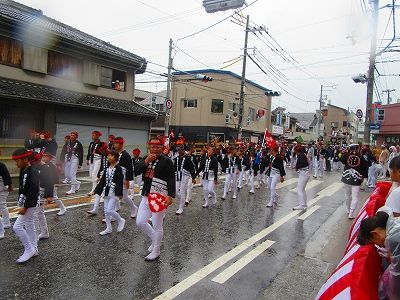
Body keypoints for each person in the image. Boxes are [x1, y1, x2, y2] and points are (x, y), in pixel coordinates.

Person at [134, 136, 175, 261]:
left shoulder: (167, 161)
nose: (155, 149)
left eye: (158, 147)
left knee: (157, 225)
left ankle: (156, 250)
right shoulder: (145, 158)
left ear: (162, 148)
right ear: (149, 147)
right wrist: (146, 161)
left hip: (159, 196)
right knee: (140, 221)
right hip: (146, 194)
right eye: (153, 147)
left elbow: (171, 178)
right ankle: (155, 239)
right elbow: (136, 171)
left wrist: (170, 195)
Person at [357, 210, 400, 300]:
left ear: (375, 234)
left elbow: (396, 278)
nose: (379, 245)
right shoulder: (395, 223)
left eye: (373, 242)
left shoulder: (393, 239)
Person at [12, 148, 39, 263]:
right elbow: (23, 188)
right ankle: (34, 248)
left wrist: (25, 207)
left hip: (31, 203)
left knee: (17, 227)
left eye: (18, 160)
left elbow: (33, 190)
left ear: (25, 159)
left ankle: (29, 249)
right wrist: (20, 202)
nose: (16, 163)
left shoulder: (32, 171)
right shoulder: (23, 169)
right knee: (29, 224)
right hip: (27, 202)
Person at [90, 150, 125, 235]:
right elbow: (102, 182)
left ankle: (120, 220)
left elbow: (120, 181)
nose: (109, 157)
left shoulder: (119, 168)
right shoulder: (106, 169)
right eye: (108, 156)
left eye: (111, 155)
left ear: (116, 157)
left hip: (114, 192)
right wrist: (95, 191)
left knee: (109, 210)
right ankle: (108, 228)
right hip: (106, 191)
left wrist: (119, 194)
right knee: (106, 211)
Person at [112, 137, 138, 219]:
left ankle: (134, 208)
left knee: (124, 197)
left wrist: (127, 180)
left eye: (117, 143)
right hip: (115, 176)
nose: (115, 145)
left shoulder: (126, 155)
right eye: (114, 143)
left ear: (121, 144)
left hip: (123, 178)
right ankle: (113, 212)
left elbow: (129, 169)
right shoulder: (114, 153)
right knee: (113, 194)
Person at [340, 144, 367, 219]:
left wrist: (344, 152)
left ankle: (348, 210)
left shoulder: (346, 155)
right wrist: (364, 177)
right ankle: (351, 214)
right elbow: (365, 168)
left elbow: (342, 160)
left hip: (346, 177)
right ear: (357, 148)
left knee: (347, 195)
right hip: (356, 178)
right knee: (355, 196)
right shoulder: (361, 157)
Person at [173, 145, 196, 215]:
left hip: (185, 176)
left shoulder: (188, 159)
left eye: (182, 150)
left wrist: (193, 178)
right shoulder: (176, 158)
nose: (180, 151)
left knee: (182, 191)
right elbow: (174, 168)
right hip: (177, 176)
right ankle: (182, 200)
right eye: (179, 150)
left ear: (184, 150)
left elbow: (192, 168)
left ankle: (181, 208)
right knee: (175, 191)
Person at [266, 143, 286, 208]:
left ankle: (271, 202)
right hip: (271, 173)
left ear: (274, 150)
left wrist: (282, 176)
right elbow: (269, 164)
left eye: (271, 149)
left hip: (276, 174)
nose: (270, 150)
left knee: (272, 187)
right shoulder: (271, 156)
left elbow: (281, 167)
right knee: (269, 186)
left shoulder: (279, 158)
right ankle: (276, 195)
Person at [293, 144, 310, 210]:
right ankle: (304, 204)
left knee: (299, 189)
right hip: (305, 173)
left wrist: (297, 167)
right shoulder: (303, 154)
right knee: (302, 189)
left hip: (304, 173)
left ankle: (302, 205)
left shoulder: (301, 155)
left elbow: (304, 163)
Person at [0, 160, 13, 238]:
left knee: (2, 205)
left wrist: (10, 186)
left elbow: (6, 176)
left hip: (2, 188)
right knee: (2, 205)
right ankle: (5, 222)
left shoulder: (1, 165)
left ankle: (6, 222)